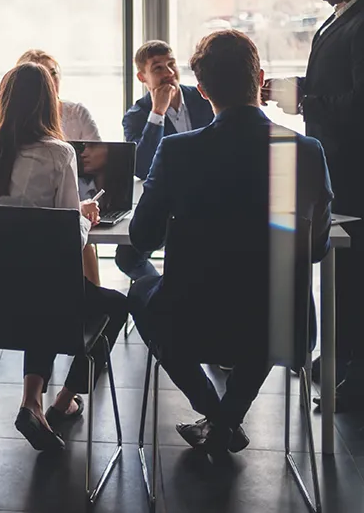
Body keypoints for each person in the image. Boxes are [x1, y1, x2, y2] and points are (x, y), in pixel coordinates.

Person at [128, 30, 333, 457]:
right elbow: (314, 249)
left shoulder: (178, 152)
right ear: (259, 78)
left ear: (201, 90)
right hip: (284, 324)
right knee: (266, 305)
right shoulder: (306, 151)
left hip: (193, 319)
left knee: (141, 294)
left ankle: (215, 413)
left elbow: (140, 238)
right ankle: (228, 417)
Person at [263, 0, 364, 411]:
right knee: (342, 267)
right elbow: (335, 85)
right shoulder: (344, 19)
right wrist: (294, 90)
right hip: (338, 163)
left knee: (363, 267)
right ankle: (343, 359)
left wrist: (307, 99)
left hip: (360, 168)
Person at [0, 62, 129, 452]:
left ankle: (32, 402)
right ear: (49, 105)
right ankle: (64, 398)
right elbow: (69, 239)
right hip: (47, 301)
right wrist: (85, 217)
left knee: (43, 291)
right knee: (112, 306)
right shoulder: (58, 154)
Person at [117, 40, 215, 281]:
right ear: (142, 77)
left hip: (210, 196)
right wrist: (157, 113)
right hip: (166, 201)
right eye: (158, 68)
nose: (169, 73)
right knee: (127, 256)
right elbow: (141, 168)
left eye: (171, 65)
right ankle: (160, 288)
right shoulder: (136, 116)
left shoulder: (205, 98)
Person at [17, 49, 101, 142]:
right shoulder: (16, 119)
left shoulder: (78, 113)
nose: (51, 82)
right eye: (43, 77)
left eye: (53, 73)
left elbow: (98, 152)